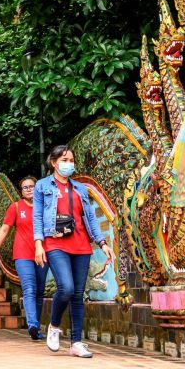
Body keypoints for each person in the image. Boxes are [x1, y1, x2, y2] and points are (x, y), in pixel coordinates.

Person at [33, 145, 114, 358]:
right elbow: (38, 217)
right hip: (55, 243)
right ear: (53, 162)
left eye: (71, 160)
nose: (69, 163)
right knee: (66, 288)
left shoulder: (80, 189)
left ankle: (76, 342)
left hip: (81, 245)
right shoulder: (42, 186)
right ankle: (54, 325)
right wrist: (38, 243)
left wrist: (103, 243)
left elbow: (90, 219)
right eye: (65, 159)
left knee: (78, 295)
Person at [0, 176, 45, 341]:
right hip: (22, 254)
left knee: (40, 292)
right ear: (21, 191)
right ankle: (33, 325)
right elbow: (5, 229)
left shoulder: (44, 206)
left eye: (31, 186)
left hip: (42, 253)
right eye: (25, 187)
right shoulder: (15, 207)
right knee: (29, 289)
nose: (28, 189)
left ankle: (36, 324)